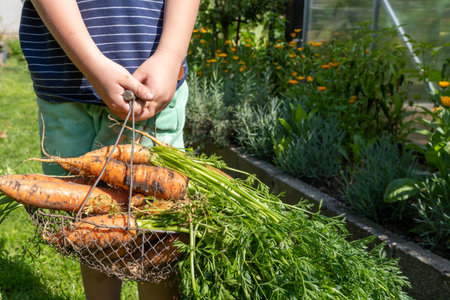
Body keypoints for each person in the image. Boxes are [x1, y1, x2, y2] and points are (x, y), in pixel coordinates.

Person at [19, 0, 200, 299]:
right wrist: (91, 63)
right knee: (87, 221)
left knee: (160, 226)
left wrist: (170, 55)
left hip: (152, 91)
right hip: (66, 86)